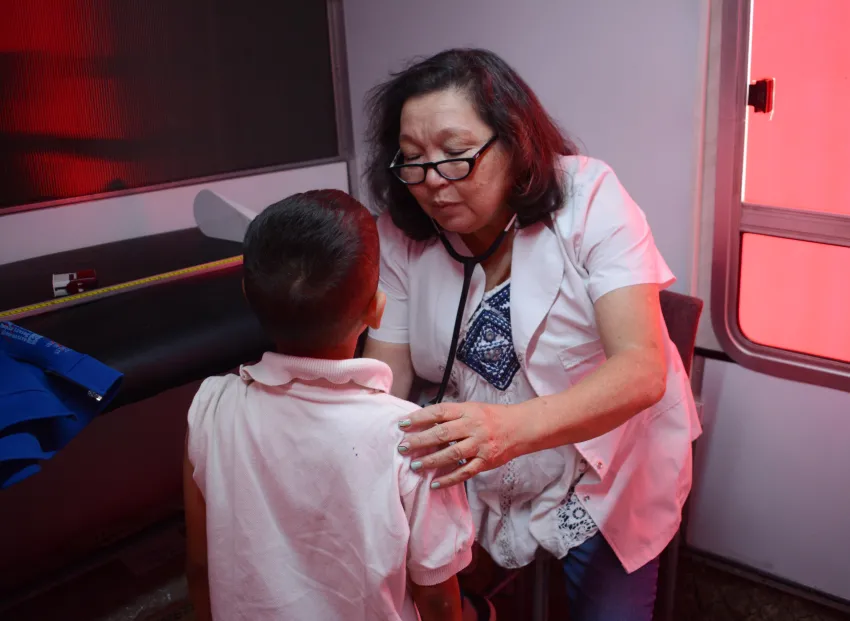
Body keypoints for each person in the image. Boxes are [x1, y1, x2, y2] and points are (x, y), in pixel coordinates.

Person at [361, 48, 702, 621]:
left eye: (455, 154)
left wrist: (508, 430)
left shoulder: (589, 197)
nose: (432, 182)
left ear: (515, 142)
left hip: (608, 463)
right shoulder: (402, 235)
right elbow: (387, 380)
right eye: (413, 159)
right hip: (483, 460)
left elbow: (642, 369)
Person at [182, 190, 476, 621]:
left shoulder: (211, 408)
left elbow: (199, 565)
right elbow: (438, 599)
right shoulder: (414, 438)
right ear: (377, 310)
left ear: (246, 294)